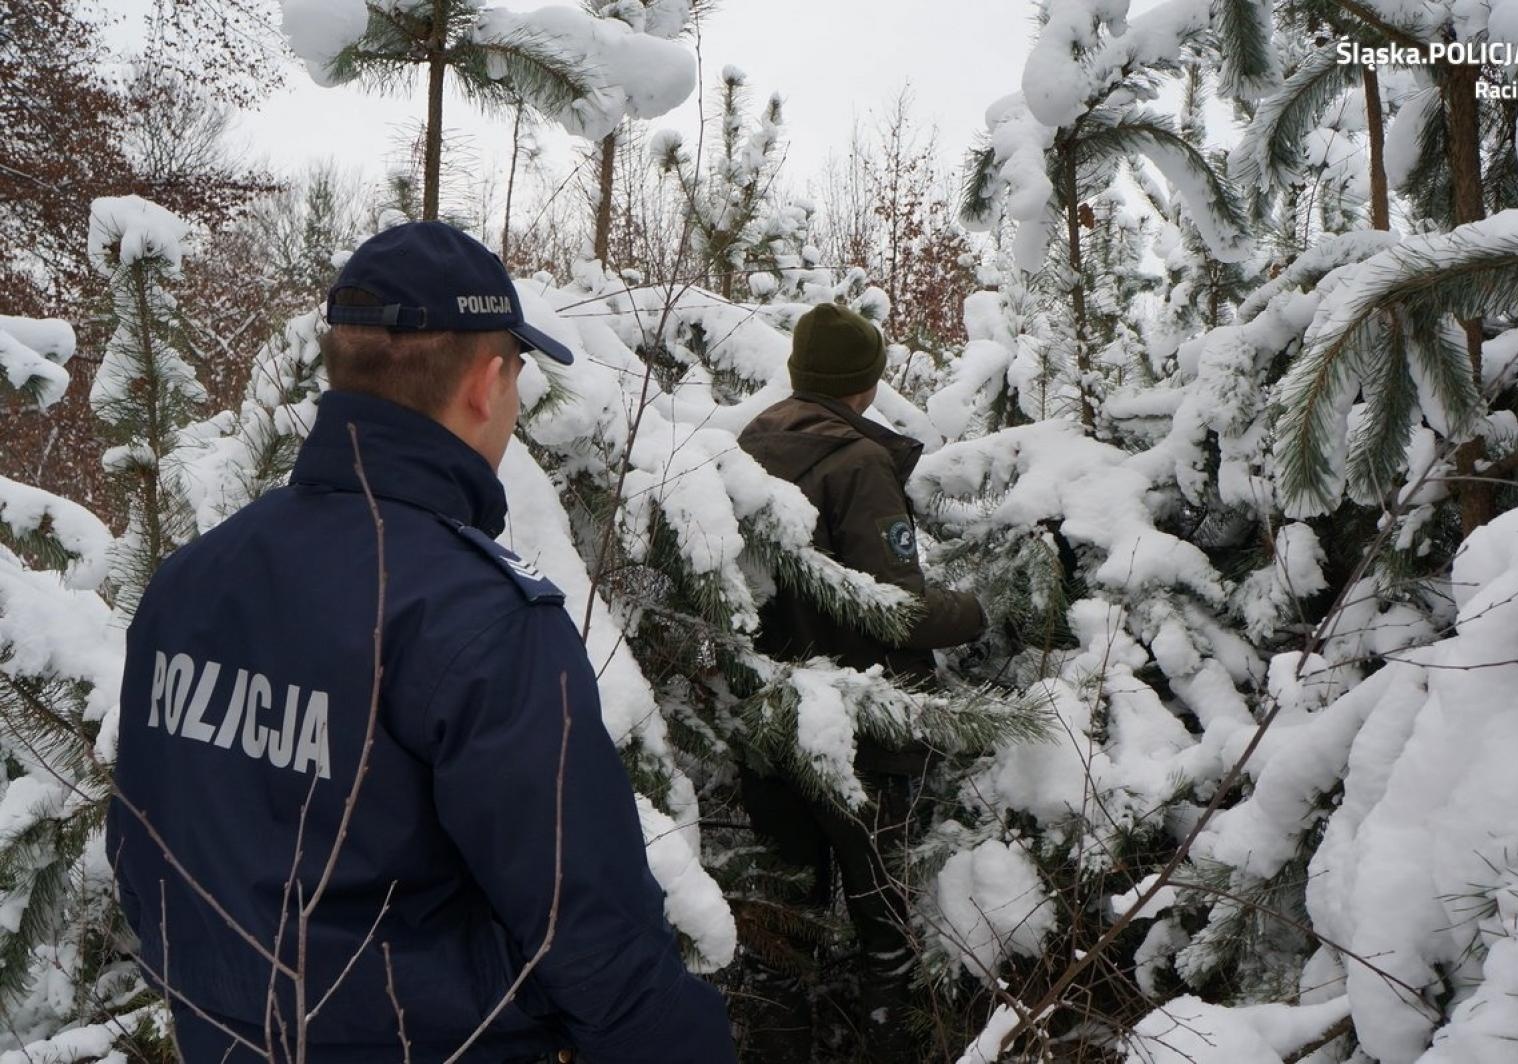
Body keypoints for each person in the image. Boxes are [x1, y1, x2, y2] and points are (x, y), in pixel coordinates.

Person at [106, 221, 737, 1063]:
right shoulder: (484, 621)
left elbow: (141, 849)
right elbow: (595, 945)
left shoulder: (191, 580)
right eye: (516, 377)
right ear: (486, 383)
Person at [736, 302, 987, 1063]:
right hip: (862, 726)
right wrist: (978, 608)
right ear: (866, 384)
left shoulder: (749, 445)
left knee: (785, 925)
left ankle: (775, 1046)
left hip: (768, 719)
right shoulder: (860, 463)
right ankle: (889, 1045)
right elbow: (894, 613)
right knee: (885, 923)